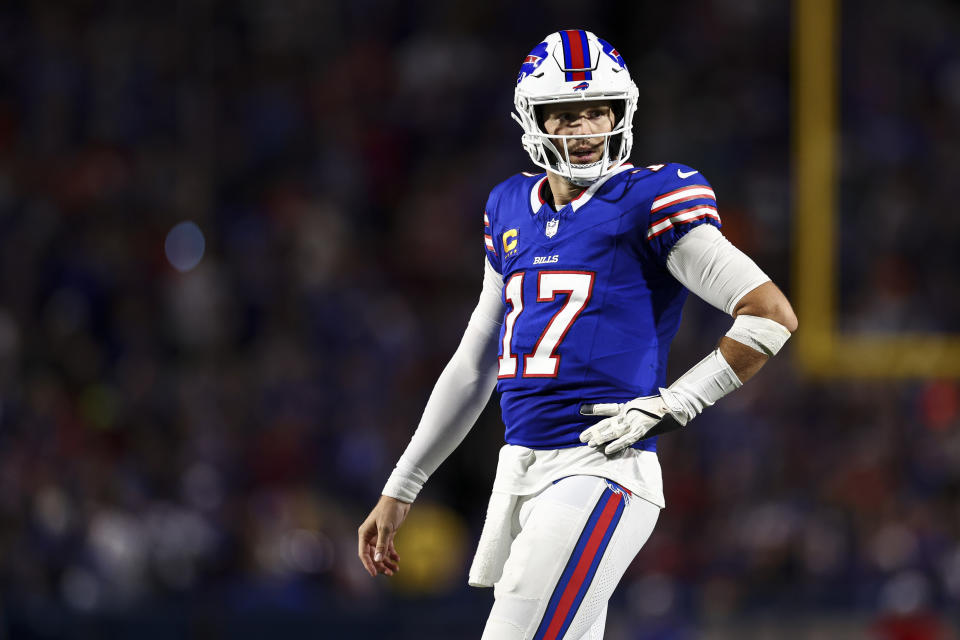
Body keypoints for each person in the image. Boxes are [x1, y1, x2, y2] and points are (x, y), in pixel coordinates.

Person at [358, 29, 797, 639]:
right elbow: (477, 358)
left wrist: (677, 403)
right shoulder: (510, 207)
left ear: (623, 112)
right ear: (532, 120)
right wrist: (401, 486)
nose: (585, 128)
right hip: (523, 469)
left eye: (598, 111)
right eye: (565, 114)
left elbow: (768, 313)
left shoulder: (653, 197)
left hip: (600, 468)